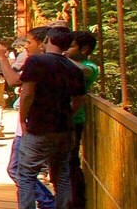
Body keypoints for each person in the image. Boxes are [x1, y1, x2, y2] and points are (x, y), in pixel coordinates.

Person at [0, 26, 86, 209]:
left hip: (39, 127)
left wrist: (23, 119)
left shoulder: (36, 61)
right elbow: (79, 99)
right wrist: (68, 114)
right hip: (65, 128)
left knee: (26, 174)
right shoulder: (75, 68)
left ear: (47, 40)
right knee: (61, 174)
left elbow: (27, 93)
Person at [56, 30, 99, 209]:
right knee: (63, 163)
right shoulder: (68, 64)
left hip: (74, 119)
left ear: (85, 49)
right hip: (64, 119)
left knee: (70, 162)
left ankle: (76, 203)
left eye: (71, 46)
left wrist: (58, 57)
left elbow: (83, 71)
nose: (66, 49)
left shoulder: (90, 66)